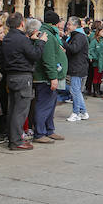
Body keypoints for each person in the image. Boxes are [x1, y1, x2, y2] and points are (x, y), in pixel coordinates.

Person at [1, 12, 46, 150]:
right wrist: (40, 42)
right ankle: (16, 142)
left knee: (13, 108)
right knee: (20, 110)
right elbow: (35, 55)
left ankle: (13, 137)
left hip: (11, 76)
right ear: (22, 24)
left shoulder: (8, 37)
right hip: (23, 76)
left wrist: (29, 39)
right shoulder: (21, 39)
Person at [33, 11, 67, 143]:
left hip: (49, 77)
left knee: (50, 104)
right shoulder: (47, 35)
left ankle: (49, 130)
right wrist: (53, 77)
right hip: (45, 78)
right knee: (44, 105)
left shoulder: (50, 34)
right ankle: (40, 133)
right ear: (56, 23)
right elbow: (48, 59)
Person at [63, 16, 89, 122]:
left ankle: (76, 112)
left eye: (69, 24)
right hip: (78, 66)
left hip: (77, 66)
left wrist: (63, 42)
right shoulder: (77, 35)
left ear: (75, 25)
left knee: (75, 91)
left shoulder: (79, 36)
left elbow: (74, 49)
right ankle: (83, 112)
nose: (67, 26)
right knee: (76, 90)